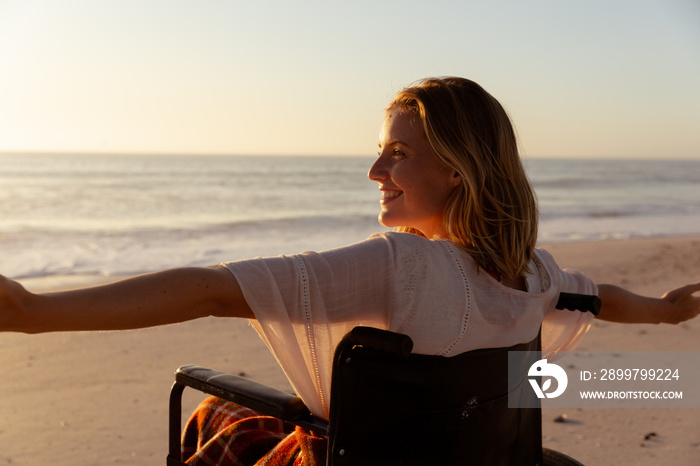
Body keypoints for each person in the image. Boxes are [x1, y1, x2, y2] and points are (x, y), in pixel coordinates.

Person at [1, 77, 698, 465]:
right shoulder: (532, 276)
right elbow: (599, 298)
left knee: (216, 409)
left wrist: (36, 312)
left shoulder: (402, 267)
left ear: (455, 170)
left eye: (397, 153)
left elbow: (214, 288)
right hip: (472, 459)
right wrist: (667, 309)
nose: (375, 171)